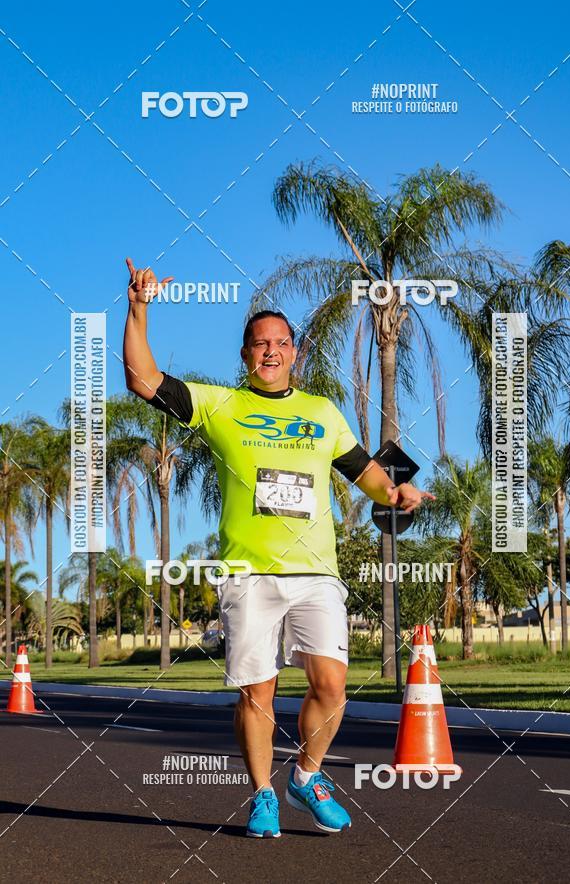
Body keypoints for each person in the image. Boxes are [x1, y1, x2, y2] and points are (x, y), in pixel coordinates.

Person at [122, 258, 435, 838]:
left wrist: (397, 492)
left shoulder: (322, 413)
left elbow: (364, 473)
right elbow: (143, 379)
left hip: (317, 572)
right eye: (259, 344)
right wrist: (139, 306)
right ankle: (263, 794)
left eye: (281, 342)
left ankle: (306, 775)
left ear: (296, 353)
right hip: (248, 575)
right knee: (258, 693)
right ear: (245, 357)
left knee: (332, 685)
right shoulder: (220, 406)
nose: (271, 351)